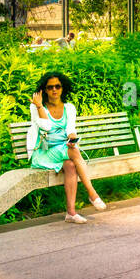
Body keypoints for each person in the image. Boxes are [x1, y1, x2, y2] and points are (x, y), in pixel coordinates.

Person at [28, 71, 107, 223]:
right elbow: (47, 127)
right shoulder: (36, 107)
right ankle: (92, 193)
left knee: (71, 165)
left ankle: (71, 213)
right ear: (44, 90)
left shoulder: (69, 108)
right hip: (44, 153)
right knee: (74, 151)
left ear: (63, 88)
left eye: (58, 86)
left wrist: (72, 136)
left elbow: (71, 128)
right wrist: (39, 106)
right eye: (50, 87)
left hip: (62, 150)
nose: (54, 90)